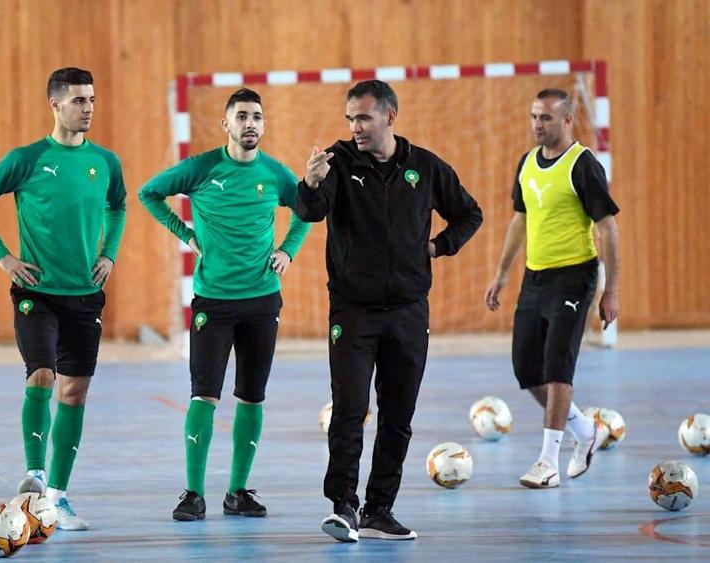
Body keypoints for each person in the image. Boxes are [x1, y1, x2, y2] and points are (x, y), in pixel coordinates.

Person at [296, 80, 482, 542]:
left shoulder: (425, 167)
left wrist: (439, 246)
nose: (355, 127)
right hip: (353, 312)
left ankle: (381, 509)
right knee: (351, 409)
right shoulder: (339, 162)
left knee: (398, 415)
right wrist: (311, 183)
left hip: (408, 312)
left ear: (390, 117)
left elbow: (469, 213)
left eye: (363, 117)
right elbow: (312, 211)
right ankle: (344, 506)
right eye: (350, 119)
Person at [0, 67, 126, 531]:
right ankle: (33, 474)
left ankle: (58, 498)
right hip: (35, 293)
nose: (88, 107)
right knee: (41, 374)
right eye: (78, 100)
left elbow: (119, 206)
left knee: (74, 392)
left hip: (86, 296)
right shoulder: (27, 158)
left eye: (91, 99)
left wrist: (109, 254)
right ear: (54, 104)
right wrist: (4, 258)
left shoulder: (106, 163)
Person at [139, 88, 311, 521]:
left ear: (263, 125)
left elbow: (306, 210)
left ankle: (238, 491)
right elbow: (149, 193)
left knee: (252, 398)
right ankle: (193, 494)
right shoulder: (201, 168)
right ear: (226, 124)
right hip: (212, 303)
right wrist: (185, 234)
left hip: (262, 301)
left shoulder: (275, 174)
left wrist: (288, 250)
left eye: (256, 116)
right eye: (241, 116)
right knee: (204, 396)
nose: (249, 123)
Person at [484, 88, 620, 489]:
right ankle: (585, 432)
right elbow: (519, 220)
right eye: (533, 117)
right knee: (527, 370)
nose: (537, 125)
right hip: (535, 277)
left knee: (559, 366)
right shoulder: (526, 163)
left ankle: (548, 462)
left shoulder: (583, 165)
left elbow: (608, 228)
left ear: (567, 120)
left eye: (545, 118)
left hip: (574, 275)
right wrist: (502, 274)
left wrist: (610, 291)